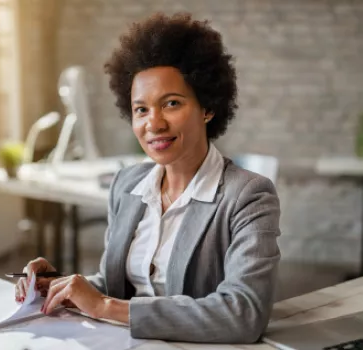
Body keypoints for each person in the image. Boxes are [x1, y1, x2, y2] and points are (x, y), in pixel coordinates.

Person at [15, 12, 281, 344]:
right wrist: (62, 286)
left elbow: (244, 313)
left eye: (171, 103)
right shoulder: (127, 186)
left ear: (207, 107)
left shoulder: (248, 195)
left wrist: (105, 306)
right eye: (141, 109)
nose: (153, 124)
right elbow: (118, 285)